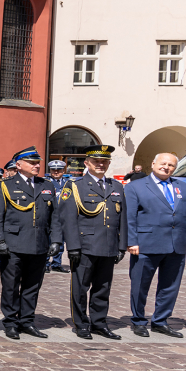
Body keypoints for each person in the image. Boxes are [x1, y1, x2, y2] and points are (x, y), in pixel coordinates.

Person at [125, 152, 186, 337]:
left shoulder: (183, 187)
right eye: (163, 163)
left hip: (176, 245)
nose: (166, 167)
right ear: (153, 164)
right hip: (145, 245)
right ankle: (139, 321)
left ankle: (160, 320)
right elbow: (130, 217)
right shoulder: (135, 187)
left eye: (171, 165)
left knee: (170, 286)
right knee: (140, 285)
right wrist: (131, 241)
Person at [57, 145, 126, 340]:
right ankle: (81, 324)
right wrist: (73, 246)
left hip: (109, 245)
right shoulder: (75, 185)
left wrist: (122, 246)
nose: (101, 164)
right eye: (96, 161)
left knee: (103, 288)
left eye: (104, 161)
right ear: (87, 163)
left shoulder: (116, 186)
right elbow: (68, 218)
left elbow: (123, 218)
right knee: (81, 288)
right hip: (85, 246)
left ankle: (99, 323)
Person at [0, 146, 61, 340]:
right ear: (18, 164)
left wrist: (55, 240)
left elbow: (54, 216)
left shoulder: (46, 185)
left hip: (39, 244)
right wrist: (0, 241)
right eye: (31, 162)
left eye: (37, 162)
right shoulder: (5, 185)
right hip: (13, 244)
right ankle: (10, 322)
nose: (36, 165)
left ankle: (27, 321)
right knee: (11, 286)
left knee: (32, 286)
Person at [46, 159, 71, 273]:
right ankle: (45, 263)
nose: (56, 172)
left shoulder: (68, 182)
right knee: (48, 241)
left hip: (63, 216)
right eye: (53, 170)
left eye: (59, 170)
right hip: (49, 216)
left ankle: (57, 263)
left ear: (63, 170)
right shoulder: (45, 182)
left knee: (60, 242)